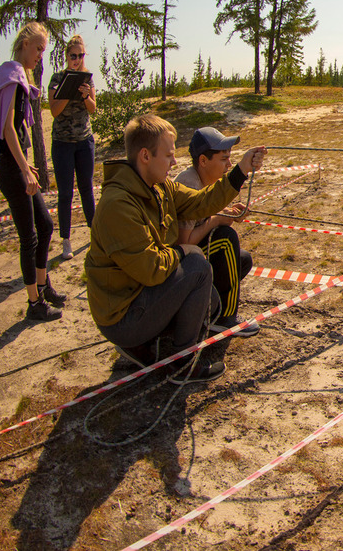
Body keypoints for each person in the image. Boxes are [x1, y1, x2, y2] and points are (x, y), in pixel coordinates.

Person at [85, 114, 265, 383]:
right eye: (169, 155)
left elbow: (202, 202)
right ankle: (181, 366)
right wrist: (184, 252)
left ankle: (149, 345)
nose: (174, 162)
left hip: (140, 295)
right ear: (145, 156)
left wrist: (240, 171)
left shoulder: (159, 187)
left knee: (211, 301)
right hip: (122, 317)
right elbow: (151, 268)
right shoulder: (118, 205)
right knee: (196, 265)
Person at [0, 22, 68, 321]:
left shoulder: (19, 77)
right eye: (37, 48)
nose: (39, 56)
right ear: (23, 44)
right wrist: (25, 169)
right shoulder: (10, 76)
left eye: (43, 50)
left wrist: (27, 165)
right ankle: (34, 305)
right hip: (10, 170)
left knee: (45, 226)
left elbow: (16, 133)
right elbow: (8, 130)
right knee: (29, 236)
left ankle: (43, 287)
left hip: (18, 166)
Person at [174, 127, 257, 338]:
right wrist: (217, 220)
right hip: (178, 266)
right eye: (224, 159)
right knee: (227, 240)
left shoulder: (204, 180)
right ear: (203, 161)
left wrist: (226, 213)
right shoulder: (189, 184)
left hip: (192, 259)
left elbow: (206, 213)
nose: (229, 165)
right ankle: (224, 319)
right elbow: (183, 244)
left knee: (242, 260)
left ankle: (209, 308)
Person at [48, 34, 96, 260]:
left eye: (81, 55)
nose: (77, 59)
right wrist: (69, 92)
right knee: (65, 192)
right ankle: (66, 240)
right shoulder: (57, 78)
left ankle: (94, 232)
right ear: (66, 56)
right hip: (62, 143)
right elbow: (54, 111)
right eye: (73, 55)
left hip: (84, 141)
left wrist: (86, 96)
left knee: (86, 188)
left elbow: (93, 109)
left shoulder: (87, 79)